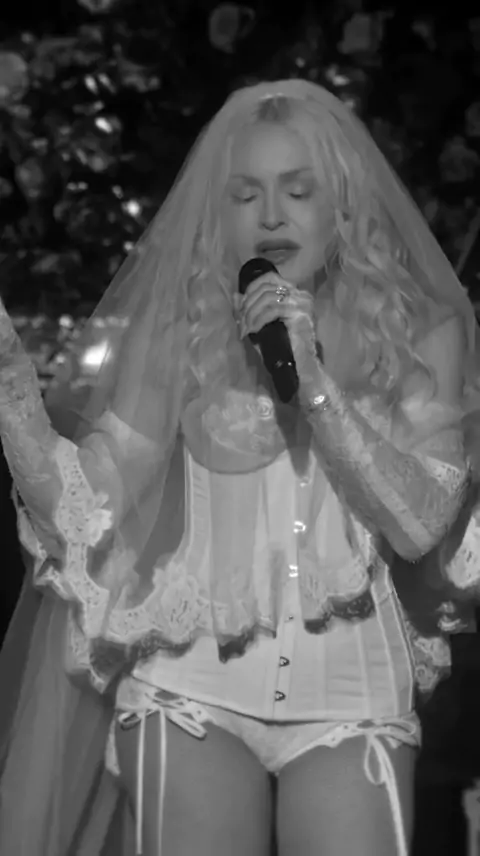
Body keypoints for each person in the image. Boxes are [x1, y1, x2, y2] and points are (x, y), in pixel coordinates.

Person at [0, 78, 479, 856]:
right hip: (189, 689)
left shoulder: (421, 333)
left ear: (343, 203)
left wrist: (314, 382)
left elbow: (420, 525)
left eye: (298, 190)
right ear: (218, 213)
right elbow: (83, 509)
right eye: (245, 194)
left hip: (353, 695)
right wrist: (10, 389)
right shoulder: (181, 331)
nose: (271, 216)